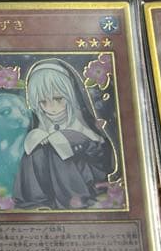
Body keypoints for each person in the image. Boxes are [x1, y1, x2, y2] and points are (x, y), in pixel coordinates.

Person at [13, 59, 115, 210]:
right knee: (35, 151)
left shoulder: (81, 122)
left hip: (85, 181)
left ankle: (76, 201)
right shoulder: (42, 125)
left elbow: (102, 157)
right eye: (43, 102)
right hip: (51, 186)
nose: (52, 107)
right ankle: (36, 201)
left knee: (56, 148)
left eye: (58, 99)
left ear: (70, 95)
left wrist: (71, 140)